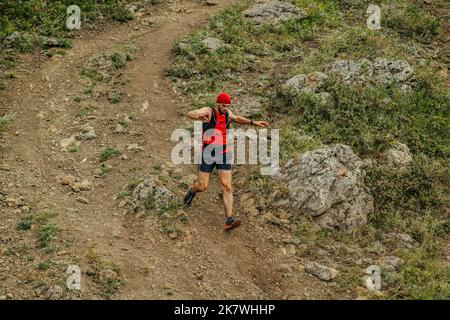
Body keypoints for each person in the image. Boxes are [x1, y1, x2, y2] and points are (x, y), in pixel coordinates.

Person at [183, 92, 270, 231]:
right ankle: (192, 191)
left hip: (223, 153)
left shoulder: (228, 113)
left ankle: (229, 219)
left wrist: (254, 123)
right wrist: (198, 116)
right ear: (218, 103)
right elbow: (190, 113)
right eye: (223, 105)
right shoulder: (209, 111)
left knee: (227, 186)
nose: (225, 108)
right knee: (202, 186)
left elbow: (238, 118)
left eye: (228, 106)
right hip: (207, 153)